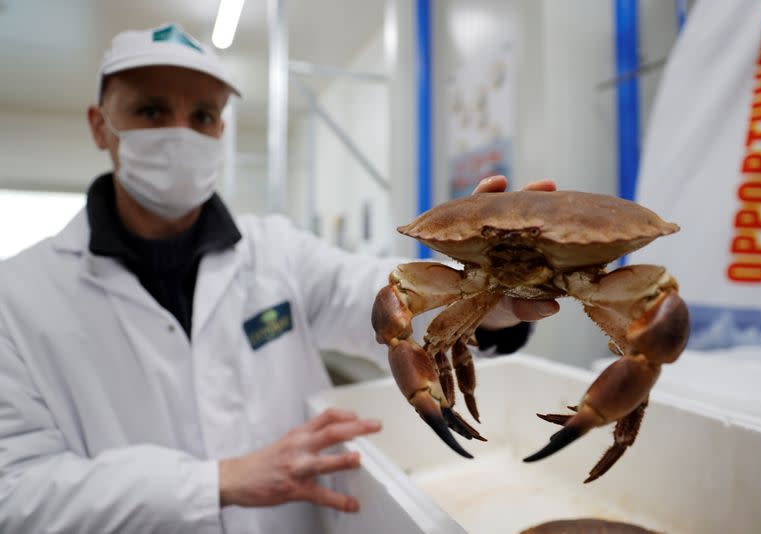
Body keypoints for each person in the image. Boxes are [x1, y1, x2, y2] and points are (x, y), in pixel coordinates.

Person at [0, 24, 559, 533]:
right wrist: (212, 482)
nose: (180, 133)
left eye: (201, 116)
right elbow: (15, 491)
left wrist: (489, 297)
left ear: (220, 128)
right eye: (150, 111)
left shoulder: (276, 253)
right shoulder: (18, 298)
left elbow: (387, 298)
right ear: (101, 126)